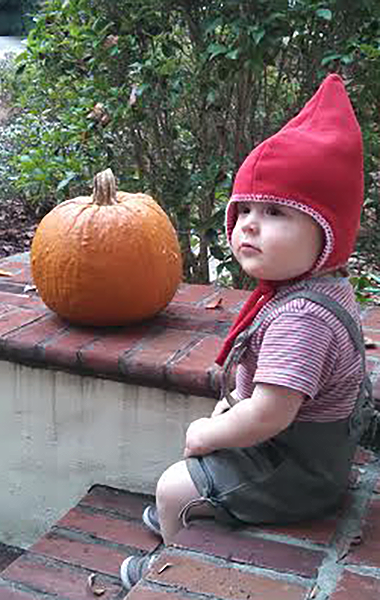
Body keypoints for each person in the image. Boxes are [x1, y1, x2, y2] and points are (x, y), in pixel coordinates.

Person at [120, 73, 376, 590]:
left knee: (173, 486)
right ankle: (200, 513)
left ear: (327, 232)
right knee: (206, 454)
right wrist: (230, 412)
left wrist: (208, 431)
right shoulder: (314, 289)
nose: (248, 226)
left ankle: (173, 564)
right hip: (291, 445)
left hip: (299, 470)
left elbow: (273, 412)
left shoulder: (302, 317)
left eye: (276, 212)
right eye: (245, 211)